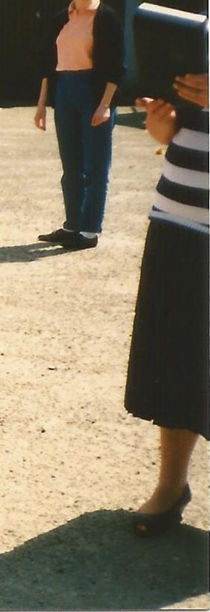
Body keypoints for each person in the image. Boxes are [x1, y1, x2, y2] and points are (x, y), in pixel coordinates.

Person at [124, 73, 208, 537]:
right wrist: (164, 125)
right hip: (178, 215)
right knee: (179, 356)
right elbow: (181, 127)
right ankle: (171, 485)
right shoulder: (203, 29)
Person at [34, 0, 124, 251]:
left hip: (94, 91)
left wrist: (105, 105)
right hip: (65, 91)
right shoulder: (61, 18)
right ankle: (72, 224)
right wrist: (42, 104)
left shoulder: (106, 17)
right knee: (71, 165)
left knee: (96, 165)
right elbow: (49, 64)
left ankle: (89, 231)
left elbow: (115, 66)